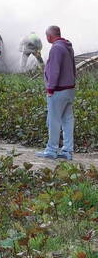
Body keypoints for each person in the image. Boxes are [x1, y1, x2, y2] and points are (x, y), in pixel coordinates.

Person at [37, 25, 75, 160]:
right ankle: (67, 151)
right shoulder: (67, 46)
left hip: (58, 90)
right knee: (67, 120)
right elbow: (73, 67)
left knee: (54, 120)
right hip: (69, 89)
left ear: (49, 36)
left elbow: (54, 70)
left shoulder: (56, 48)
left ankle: (51, 150)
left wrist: (50, 88)